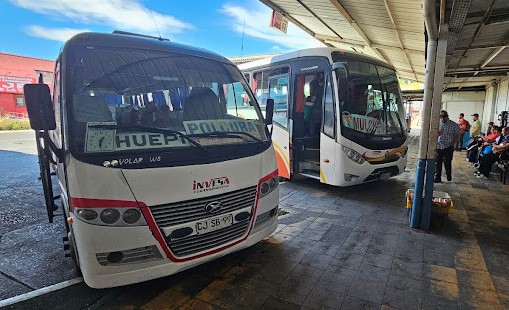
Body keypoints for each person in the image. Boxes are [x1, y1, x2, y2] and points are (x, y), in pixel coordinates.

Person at [435, 110, 462, 183]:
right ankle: (437, 178)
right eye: (441, 117)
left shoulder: (453, 124)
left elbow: (459, 133)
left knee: (447, 162)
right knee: (438, 163)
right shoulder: (438, 124)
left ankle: (448, 176)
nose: (442, 119)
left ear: (447, 117)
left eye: (444, 117)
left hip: (448, 147)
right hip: (439, 146)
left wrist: (453, 143)